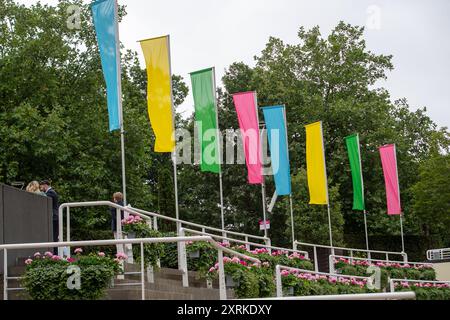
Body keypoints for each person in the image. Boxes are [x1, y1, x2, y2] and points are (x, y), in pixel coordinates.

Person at [39, 180, 59, 254]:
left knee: (54, 237)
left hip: (54, 217)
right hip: (54, 217)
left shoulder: (50, 193)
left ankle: (55, 254)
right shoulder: (51, 192)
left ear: (45, 185)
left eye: (41, 186)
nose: (41, 188)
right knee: (54, 237)